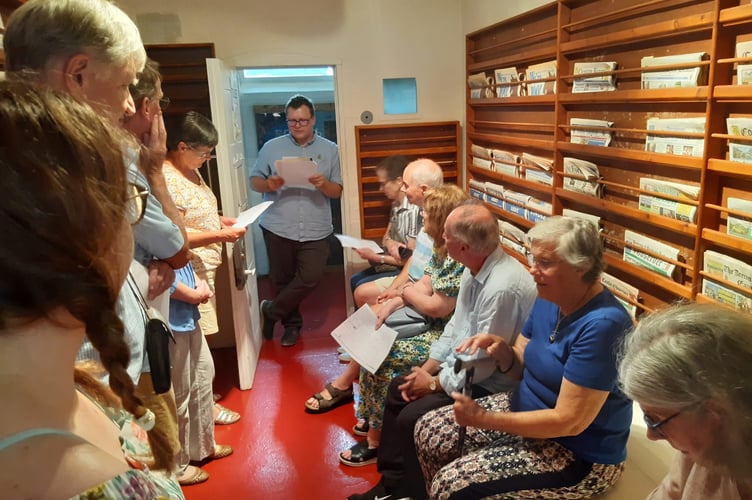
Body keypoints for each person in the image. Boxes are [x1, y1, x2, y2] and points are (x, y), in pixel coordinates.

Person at [4, 0, 190, 471]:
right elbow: (174, 243)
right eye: (126, 84)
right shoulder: (67, 173)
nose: (131, 104)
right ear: (79, 75)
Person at [410, 216, 634, 500]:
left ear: (582, 267)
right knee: (429, 431)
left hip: (577, 453)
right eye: (533, 259)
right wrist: (504, 352)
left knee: (451, 485)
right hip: (525, 411)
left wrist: (484, 419)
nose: (532, 270)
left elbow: (568, 421)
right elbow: (519, 366)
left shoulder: (604, 325)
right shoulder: (549, 297)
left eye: (545, 263)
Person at [345, 202, 536, 495]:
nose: (441, 239)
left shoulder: (501, 288)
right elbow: (455, 329)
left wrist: (434, 383)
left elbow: (481, 363)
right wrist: (426, 370)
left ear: (462, 247)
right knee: (400, 386)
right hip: (466, 370)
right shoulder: (474, 268)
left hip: (490, 385)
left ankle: (410, 491)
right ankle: (392, 485)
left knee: (411, 416)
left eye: (446, 236)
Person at [339, 185, 470, 468]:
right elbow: (423, 283)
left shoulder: (458, 257)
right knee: (373, 335)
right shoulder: (440, 247)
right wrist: (392, 303)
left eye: (426, 213)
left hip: (441, 329)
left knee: (386, 354)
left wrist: (405, 294)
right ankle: (374, 421)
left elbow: (439, 307)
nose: (422, 216)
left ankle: (375, 438)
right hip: (424, 316)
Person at [304, 158, 444, 414]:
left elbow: (430, 285)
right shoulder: (424, 220)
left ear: (423, 189)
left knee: (374, 322)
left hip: (421, 306)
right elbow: (413, 261)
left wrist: (399, 292)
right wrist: (396, 288)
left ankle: (344, 385)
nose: (402, 190)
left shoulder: (440, 227)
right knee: (373, 306)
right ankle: (348, 386)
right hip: (410, 293)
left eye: (407, 185)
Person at [618, 303, 752, 500]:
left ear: (714, 412)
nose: (651, 435)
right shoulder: (705, 445)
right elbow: (670, 492)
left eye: (655, 420)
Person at [163, 111, 246, 426]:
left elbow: (196, 216)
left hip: (204, 269)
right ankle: (204, 407)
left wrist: (220, 221)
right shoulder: (169, 179)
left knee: (201, 343)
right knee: (195, 348)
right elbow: (176, 236)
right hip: (188, 273)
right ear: (182, 147)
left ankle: (203, 400)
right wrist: (222, 235)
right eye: (203, 152)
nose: (207, 158)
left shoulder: (191, 172)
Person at [250, 94, 342, 347]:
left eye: (302, 120)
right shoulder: (271, 147)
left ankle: (271, 310)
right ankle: (291, 326)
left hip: (316, 226)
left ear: (313, 120)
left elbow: (338, 191)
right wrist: (268, 183)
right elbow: (254, 180)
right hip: (277, 224)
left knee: (311, 276)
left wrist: (324, 184)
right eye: (292, 121)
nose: (297, 125)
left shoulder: (330, 149)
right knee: (282, 279)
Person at [167, 260, 233, 486]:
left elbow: (180, 256)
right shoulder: (142, 227)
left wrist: (197, 282)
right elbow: (153, 273)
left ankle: (202, 447)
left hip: (187, 310)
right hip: (168, 317)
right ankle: (178, 465)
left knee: (204, 373)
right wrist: (194, 295)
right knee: (178, 393)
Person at [349, 155, 420, 297]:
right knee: (354, 279)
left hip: (407, 270)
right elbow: (385, 238)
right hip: (397, 262)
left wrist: (377, 257)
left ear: (399, 181)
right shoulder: (395, 204)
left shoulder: (413, 211)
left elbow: (409, 259)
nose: (381, 188)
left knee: (360, 288)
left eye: (383, 183)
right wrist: (392, 244)